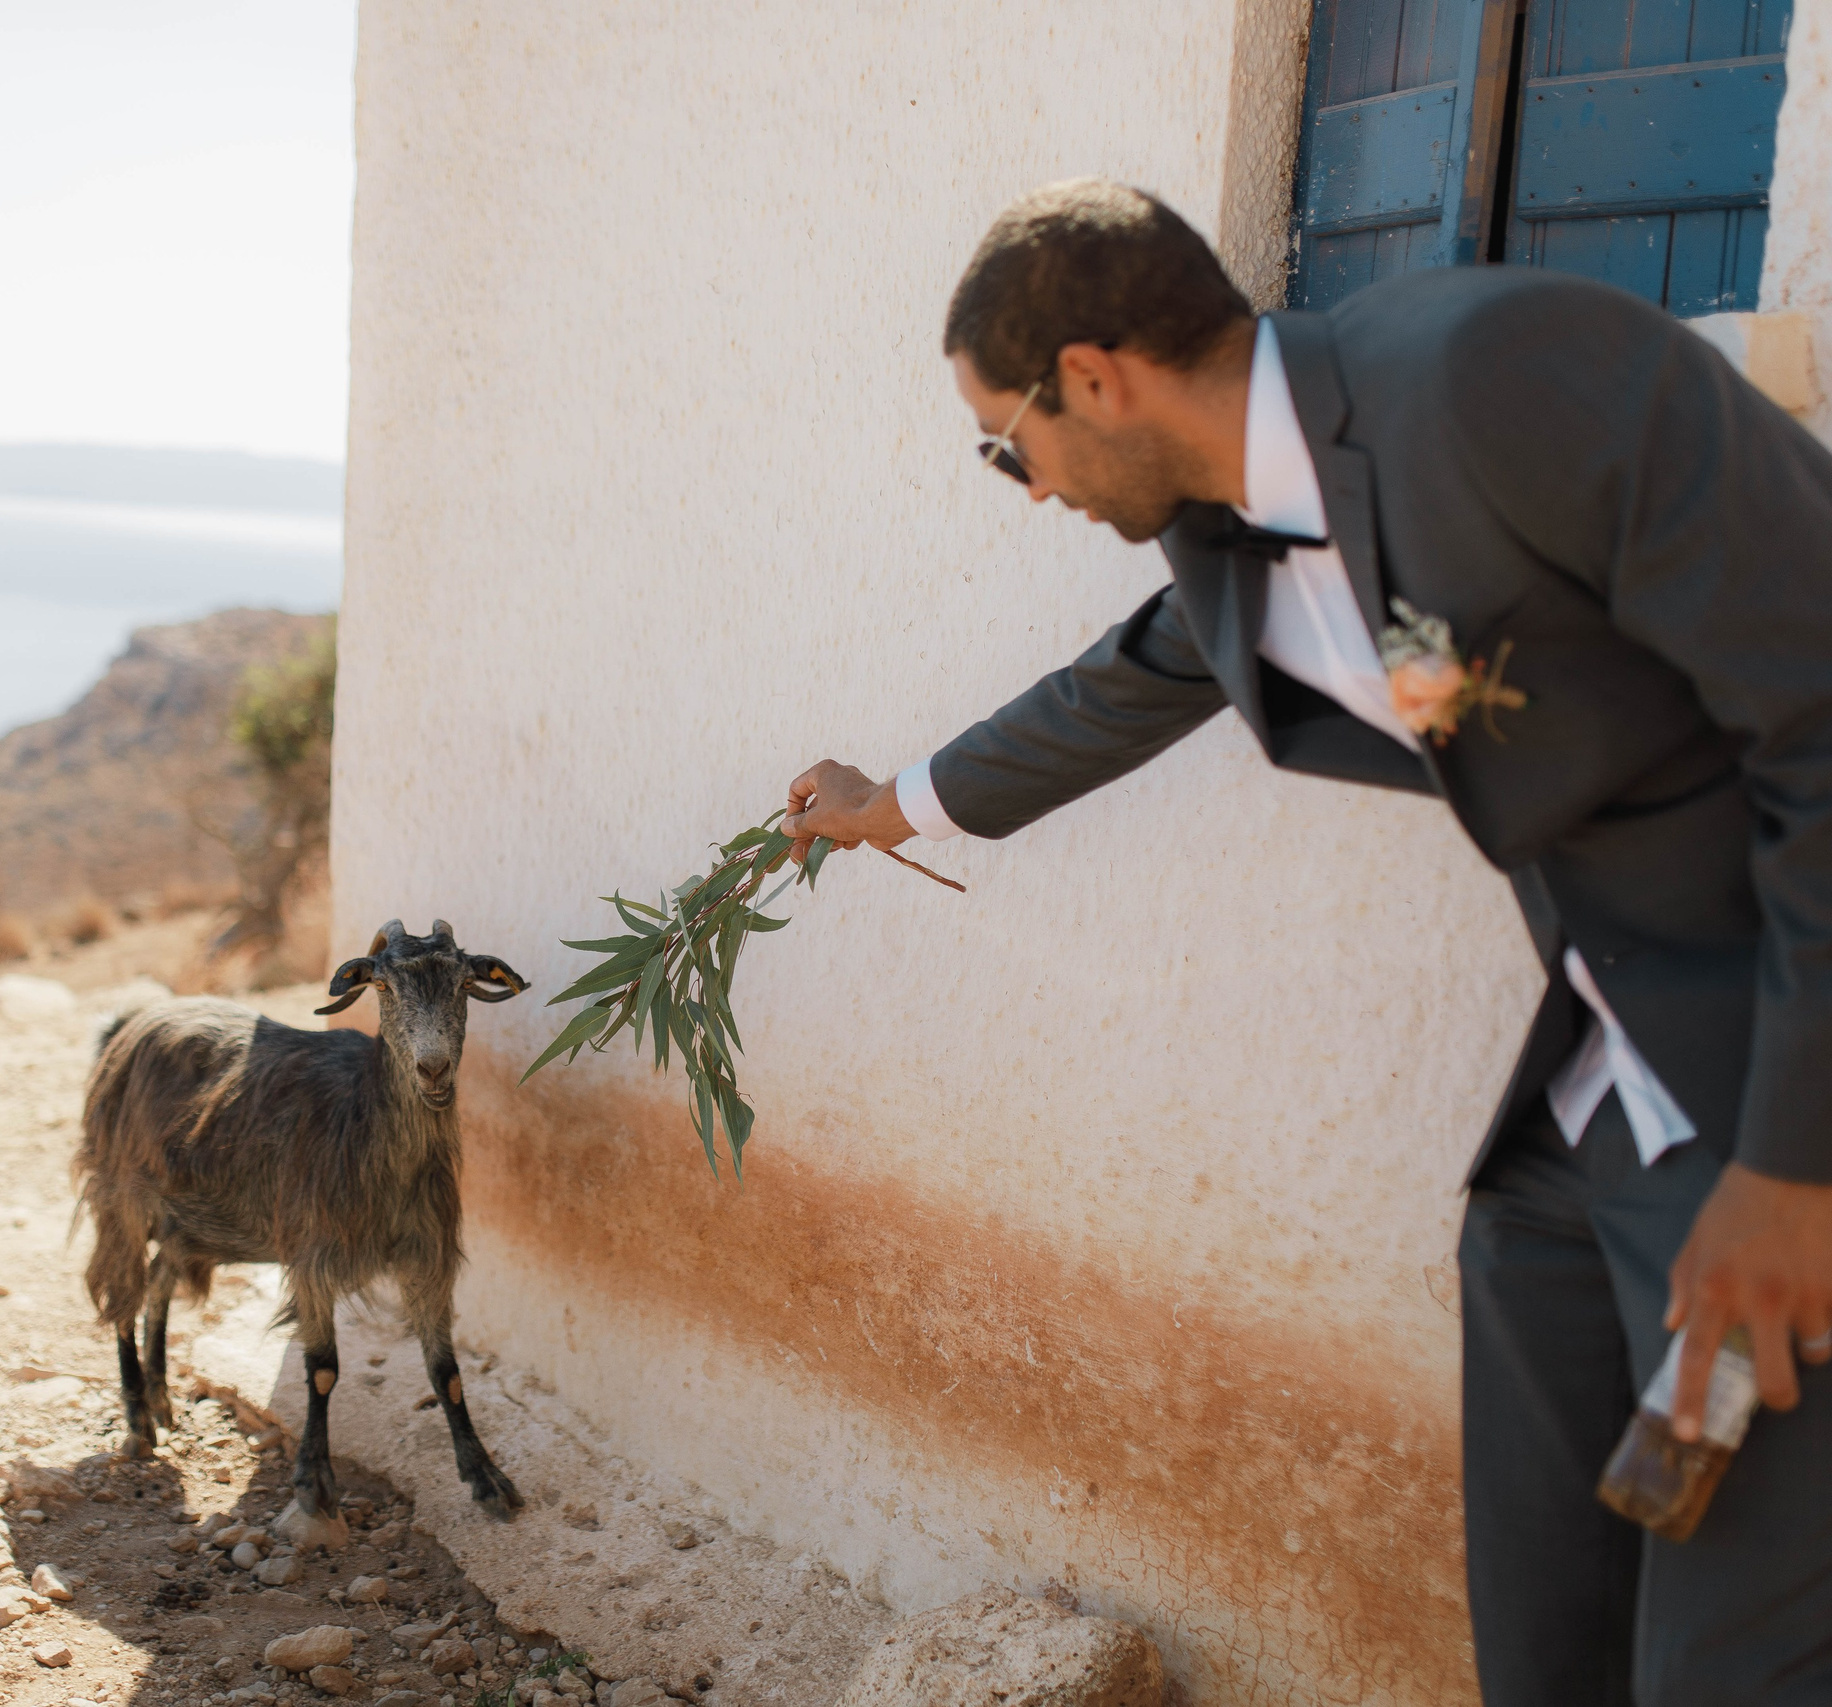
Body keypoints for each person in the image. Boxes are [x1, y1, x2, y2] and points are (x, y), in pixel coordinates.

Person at [780, 179, 1832, 1705]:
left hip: (1769, 1126)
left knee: (1733, 1659)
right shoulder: (1237, 529)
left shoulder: (1494, 372)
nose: (1025, 487)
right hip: (1596, 1116)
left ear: (1093, 375)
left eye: (1008, 446)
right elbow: (1134, 679)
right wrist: (902, 806)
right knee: (1553, 1634)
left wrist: (1795, 1169)